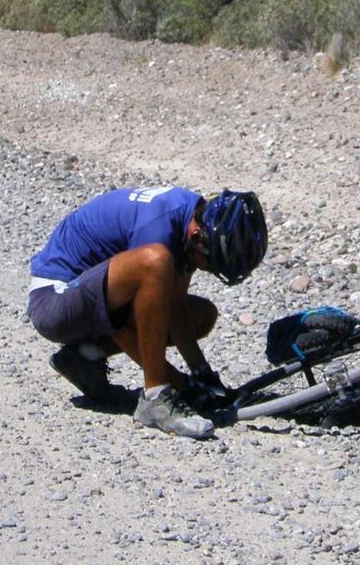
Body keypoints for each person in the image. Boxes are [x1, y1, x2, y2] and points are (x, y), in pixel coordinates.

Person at [26, 185, 267, 439]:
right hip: (54, 302)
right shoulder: (158, 231)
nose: (203, 268)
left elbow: (175, 306)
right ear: (197, 236)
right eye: (208, 263)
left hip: (87, 302)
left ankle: (83, 357)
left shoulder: (195, 218)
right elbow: (123, 326)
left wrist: (203, 374)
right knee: (156, 261)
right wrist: (181, 384)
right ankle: (155, 399)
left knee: (202, 315)